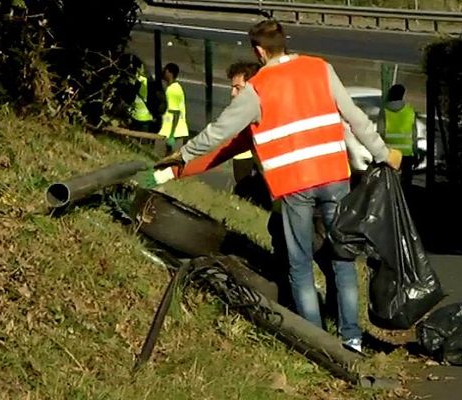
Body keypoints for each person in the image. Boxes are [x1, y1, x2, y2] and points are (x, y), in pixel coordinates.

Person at [157, 20, 402, 352]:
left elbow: (220, 134)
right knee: (343, 259)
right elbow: (355, 117)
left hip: (293, 186)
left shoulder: (258, 88)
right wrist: (384, 153)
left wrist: (183, 154)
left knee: (299, 264)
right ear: (284, 43)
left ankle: (316, 342)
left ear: (259, 51)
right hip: (334, 178)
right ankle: (352, 339)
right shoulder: (320, 69)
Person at [379, 83, 417, 195]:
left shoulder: (384, 112)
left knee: (389, 184)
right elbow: (414, 135)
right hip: (406, 154)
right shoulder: (410, 111)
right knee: (406, 186)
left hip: (389, 154)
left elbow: (380, 133)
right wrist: (415, 152)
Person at [156, 63, 189, 157]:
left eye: (165, 71)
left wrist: (171, 135)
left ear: (169, 73)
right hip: (171, 131)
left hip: (174, 133)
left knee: (170, 160)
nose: (163, 73)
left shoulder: (172, 90)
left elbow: (176, 113)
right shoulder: (173, 87)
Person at [129, 58, 155, 133]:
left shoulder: (141, 82)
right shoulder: (149, 83)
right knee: (143, 136)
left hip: (136, 117)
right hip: (147, 118)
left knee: (132, 133)